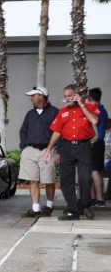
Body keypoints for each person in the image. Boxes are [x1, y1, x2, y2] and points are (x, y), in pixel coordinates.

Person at [44, 84, 100, 220]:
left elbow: (94, 120)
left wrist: (81, 104)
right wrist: (49, 148)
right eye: (65, 97)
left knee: (85, 178)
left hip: (83, 146)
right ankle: (73, 210)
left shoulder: (90, 107)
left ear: (76, 95)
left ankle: (85, 206)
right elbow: (57, 131)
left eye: (69, 96)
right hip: (67, 147)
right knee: (66, 180)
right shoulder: (62, 112)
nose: (66, 99)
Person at [18, 86, 59, 217]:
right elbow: (23, 131)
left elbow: (60, 133)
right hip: (30, 150)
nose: (31, 98)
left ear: (41, 96)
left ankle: (49, 206)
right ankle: (35, 208)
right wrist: (24, 147)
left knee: (49, 180)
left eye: (33, 95)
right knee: (32, 180)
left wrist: (58, 151)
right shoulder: (30, 114)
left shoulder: (54, 112)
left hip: (47, 150)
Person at [88, 87, 108, 208]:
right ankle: (98, 198)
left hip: (95, 142)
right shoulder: (103, 110)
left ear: (91, 98)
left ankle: (97, 198)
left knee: (93, 171)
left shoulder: (96, 110)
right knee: (98, 171)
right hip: (100, 142)